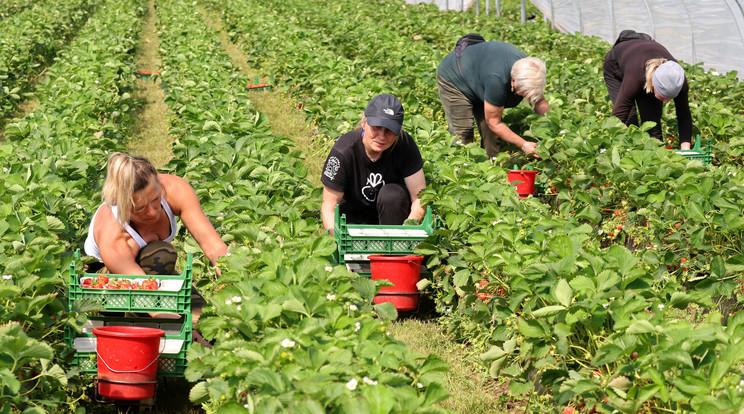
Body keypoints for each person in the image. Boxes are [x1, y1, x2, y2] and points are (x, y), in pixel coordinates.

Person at [84, 152, 227, 275]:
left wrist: (232, 272)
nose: (152, 212)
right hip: (107, 275)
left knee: (198, 307)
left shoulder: (174, 189)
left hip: (151, 266)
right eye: (140, 209)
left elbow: (214, 246)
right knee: (161, 255)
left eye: (155, 199)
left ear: (159, 183)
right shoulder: (113, 236)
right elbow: (143, 287)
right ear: (122, 206)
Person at [320, 94, 426, 235]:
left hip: (394, 219)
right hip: (353, 224)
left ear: (398, 131)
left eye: (389, 130)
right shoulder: (343, 152)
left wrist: (406, 232)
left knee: (392, 195)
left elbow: (420, 198)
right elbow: (329, 206)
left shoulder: (405, 145)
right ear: (364, 123)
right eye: (376, 127)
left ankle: (393, 250)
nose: (381, 136)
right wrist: (338, 238)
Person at [436, 36, 549, 158]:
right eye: (521, 91)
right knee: (462, 133)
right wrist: (523, 144)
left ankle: (492, 164)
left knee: (491, 135)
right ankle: (461, 165)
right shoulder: (497, 80)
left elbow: (539, 101)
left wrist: (549, 127)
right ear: (513, 81)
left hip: (480, 76)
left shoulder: (530, 70)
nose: (524, 96)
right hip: (454, 79)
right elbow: (494, 123)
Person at [603, 30, 693, 149]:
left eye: (669, 98)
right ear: (653, 84)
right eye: (663, 96)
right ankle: (629, 153)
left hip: (642, 59)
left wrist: (685, 148)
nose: (665, 102)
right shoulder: (635, 76)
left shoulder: (678, 79)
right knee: (629, 119)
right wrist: (605, 146)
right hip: (617, 66)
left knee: (653, 122)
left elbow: (684, 114)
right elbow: (619, 114)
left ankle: (655, 156)